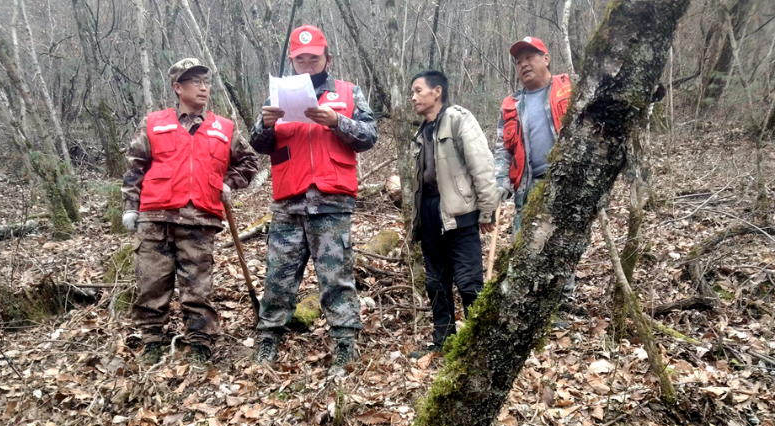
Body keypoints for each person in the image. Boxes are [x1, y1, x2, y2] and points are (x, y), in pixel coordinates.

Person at [249, 25, 378, 377]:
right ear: (292, 61)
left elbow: (369, 136)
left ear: (327, 59)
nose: (307, 64)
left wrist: (338, 122)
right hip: (289, 201)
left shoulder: (349, 93)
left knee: (336, 278)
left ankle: (345, 344)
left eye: (313, 58)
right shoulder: (277, 94)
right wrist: (264, 124)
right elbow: (258, 145)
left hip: (331, 201)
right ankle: (269, 338)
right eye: (300, 59)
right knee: (278, 278)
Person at [122, 58, 259, 364]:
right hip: (155, 217)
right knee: (151, 282)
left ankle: (200, 344)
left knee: (198, 287)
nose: (202, 87)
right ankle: (152, 341)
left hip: (200, 218)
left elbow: (249, 162)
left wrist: (228, 183)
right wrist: (131, 207)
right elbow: (135, 167)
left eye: (205, 81)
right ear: (177, 87)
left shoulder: (224, 128)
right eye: (194, 81)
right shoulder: (153, 123)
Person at [409, 70, 500, 355]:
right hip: (429, 214)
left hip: (460, 213)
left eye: (418, 91)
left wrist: (488, 211)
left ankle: (479, 346)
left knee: (468, 282)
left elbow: (482, 165)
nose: (413, 98)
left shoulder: (460, 119)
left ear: (437, 92)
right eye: (412, 92)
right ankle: (444, 343)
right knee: (436, 283)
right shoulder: (420, 132)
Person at [494, 37, 571, 234]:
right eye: (519, 62)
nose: (524, 64)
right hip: (528, 191)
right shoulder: (512, 105)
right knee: (520, 256)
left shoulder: (570, 88)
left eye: (529, 57)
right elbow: (502, 149)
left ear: (546, 59)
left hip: (566, 185)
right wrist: (501, 183)